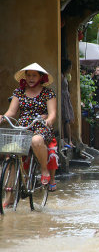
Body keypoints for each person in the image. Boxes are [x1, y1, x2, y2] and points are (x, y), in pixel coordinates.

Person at [0, 63, 58, 192]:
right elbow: (11, 112)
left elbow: (53, 113)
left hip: (41, 126)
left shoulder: (48, 93)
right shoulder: (18, 92)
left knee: (36, 140)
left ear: (40, 77)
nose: (31, 78)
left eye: (34, 75)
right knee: (11, 153)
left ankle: (44, 169)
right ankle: (9, 197)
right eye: (29, 75)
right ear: (25, 77)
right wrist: (3, 117)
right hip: (23, 127)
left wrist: (48, 120)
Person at [61, 59, 75, 147]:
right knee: (65, 120)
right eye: (70, 67)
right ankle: (66, 140)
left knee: (67, 119)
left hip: (66, 98)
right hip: (63, 99)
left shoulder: (65, 76)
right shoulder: (61, 76)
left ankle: (69, 140)